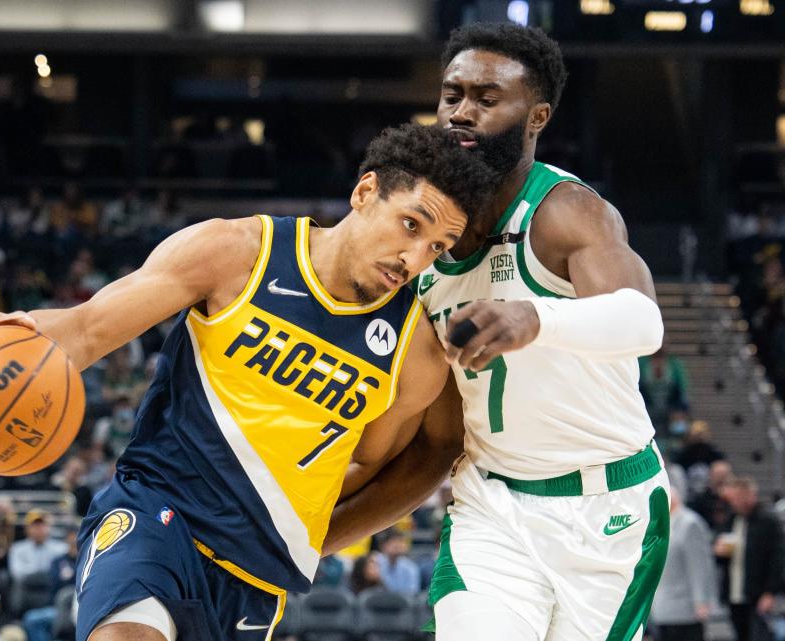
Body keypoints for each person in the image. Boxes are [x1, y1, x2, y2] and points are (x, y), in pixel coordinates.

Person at [0, 123, 494, 641]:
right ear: (365, 192)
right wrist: (1, 333)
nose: (414, 257)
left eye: (436, 248)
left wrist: (318, 540)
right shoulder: (237, 252)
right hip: (155, 514)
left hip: (256, 574)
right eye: (411, 225)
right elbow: (86, 329)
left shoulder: (414, 349)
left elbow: (376, 465)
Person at [325, 23, 669, 641]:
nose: (462, 111)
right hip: (492, 507)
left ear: (535, 116)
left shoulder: (565, 212)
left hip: (609, 509)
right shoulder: (422, 248)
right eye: (452, 94)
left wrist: (534, 316)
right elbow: (436, 443)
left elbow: (642, 322)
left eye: (487, 99)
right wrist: (313, 539)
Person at [714, 476, 784, 641]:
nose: (737, 502)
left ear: (751, 496)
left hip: (758, 592)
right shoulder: (731, 520)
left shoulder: (768, 522)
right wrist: (718, 551)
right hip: (734, 592)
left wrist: (770, 592)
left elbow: (777, 560)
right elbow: (720, 551)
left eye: (741, 497)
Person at [650, 466, 716, 641]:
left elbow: (699, 565)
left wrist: (701, 600)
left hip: (685, 608)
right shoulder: (662, 524)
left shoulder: (690, 524)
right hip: (663, 608)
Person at [7, 510, 68, 583]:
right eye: (35, 525)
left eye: (43, 525)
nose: (39, 529)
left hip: (52, 589)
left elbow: (65, 573)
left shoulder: (61, 548)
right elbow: (16, 574)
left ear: (49, 527)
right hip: (26, 588)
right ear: (27, 528)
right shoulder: (17, 549)